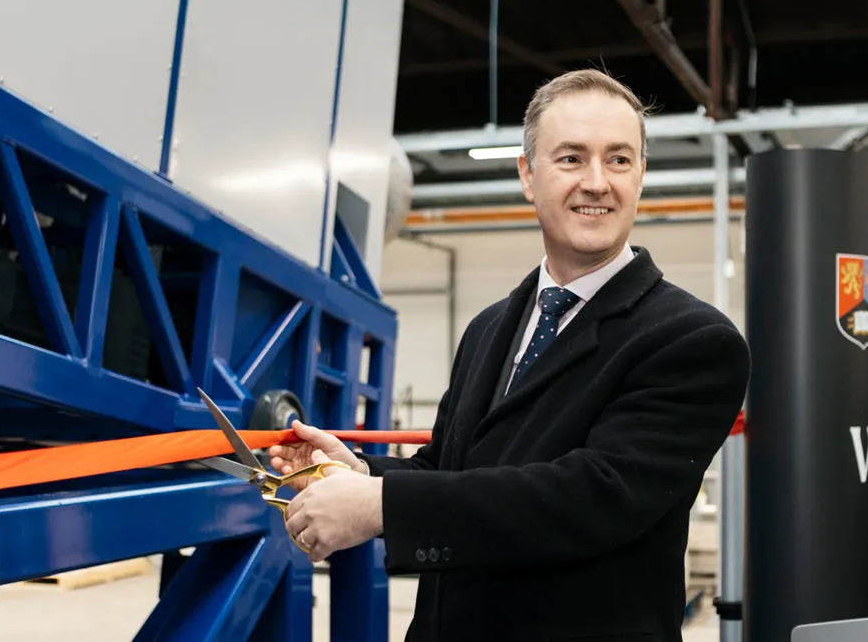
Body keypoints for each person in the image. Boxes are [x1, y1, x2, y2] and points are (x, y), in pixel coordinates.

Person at [270, 68, 751, 641]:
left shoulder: (694, 341)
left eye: (619, 159)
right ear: (527, 175)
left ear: (641, 174)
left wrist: (380, 505)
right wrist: (359, 471)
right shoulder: (490, 327)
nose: (597, 182)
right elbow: (451, 468)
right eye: (571, 158)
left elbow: (590, 498)